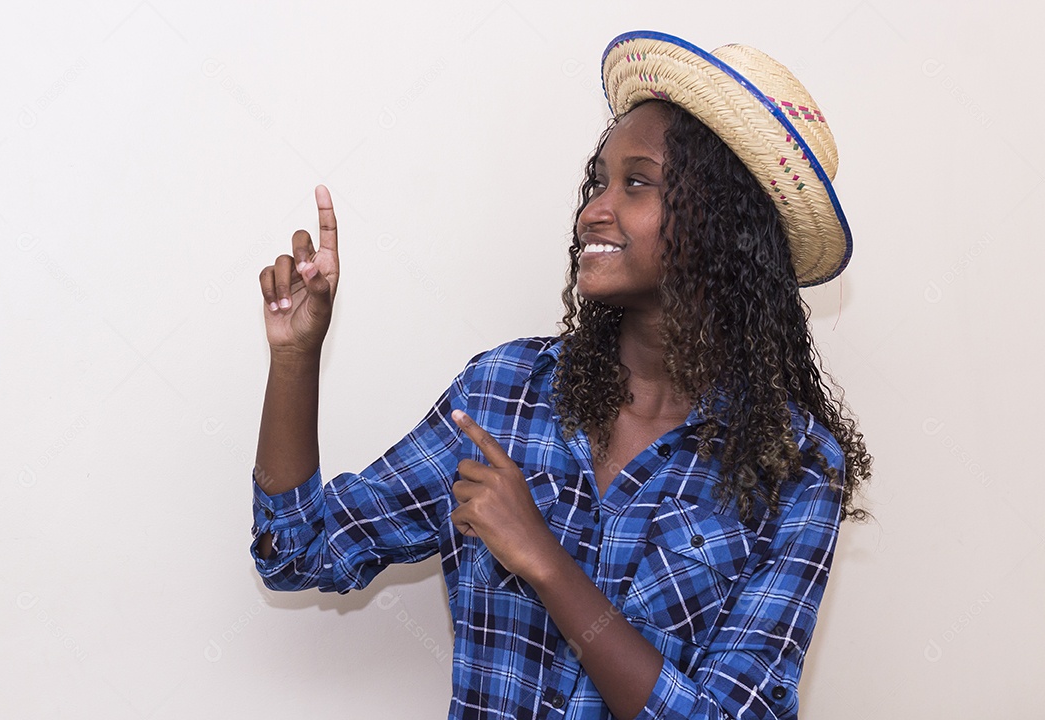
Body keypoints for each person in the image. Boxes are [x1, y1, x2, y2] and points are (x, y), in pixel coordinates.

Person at [250, 31, 871, 720]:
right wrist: (295, 361)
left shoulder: (796, 465)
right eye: (597, 182)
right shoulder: (502, 394)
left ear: (721, 223)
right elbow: (297, 552)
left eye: (636, 183)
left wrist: (546, 562)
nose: (592, 211)